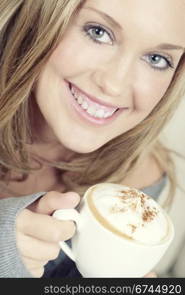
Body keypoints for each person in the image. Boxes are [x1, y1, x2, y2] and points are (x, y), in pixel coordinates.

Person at [0, 0, 185, 278]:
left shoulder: (139, 181)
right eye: (98, 32)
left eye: (156, 59)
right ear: (40, 17)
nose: (115, 84)